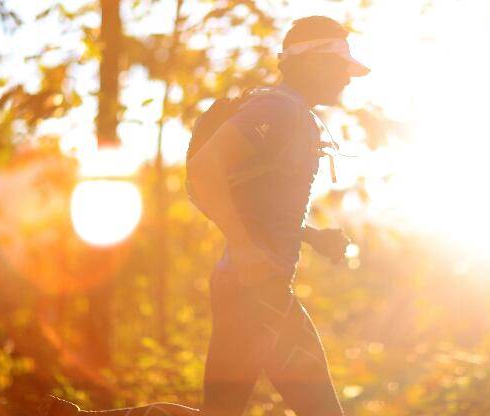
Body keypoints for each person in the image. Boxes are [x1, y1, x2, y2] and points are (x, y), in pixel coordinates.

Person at [41, 15, 370, 416]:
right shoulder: (278, 110)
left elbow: (260, 207)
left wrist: (309, 235)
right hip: (257, 293)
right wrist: (247, 250)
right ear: (312, 61)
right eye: (341, 67)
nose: (348, 78)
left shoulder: (289, 112)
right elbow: (205, 167)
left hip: (249, 289)